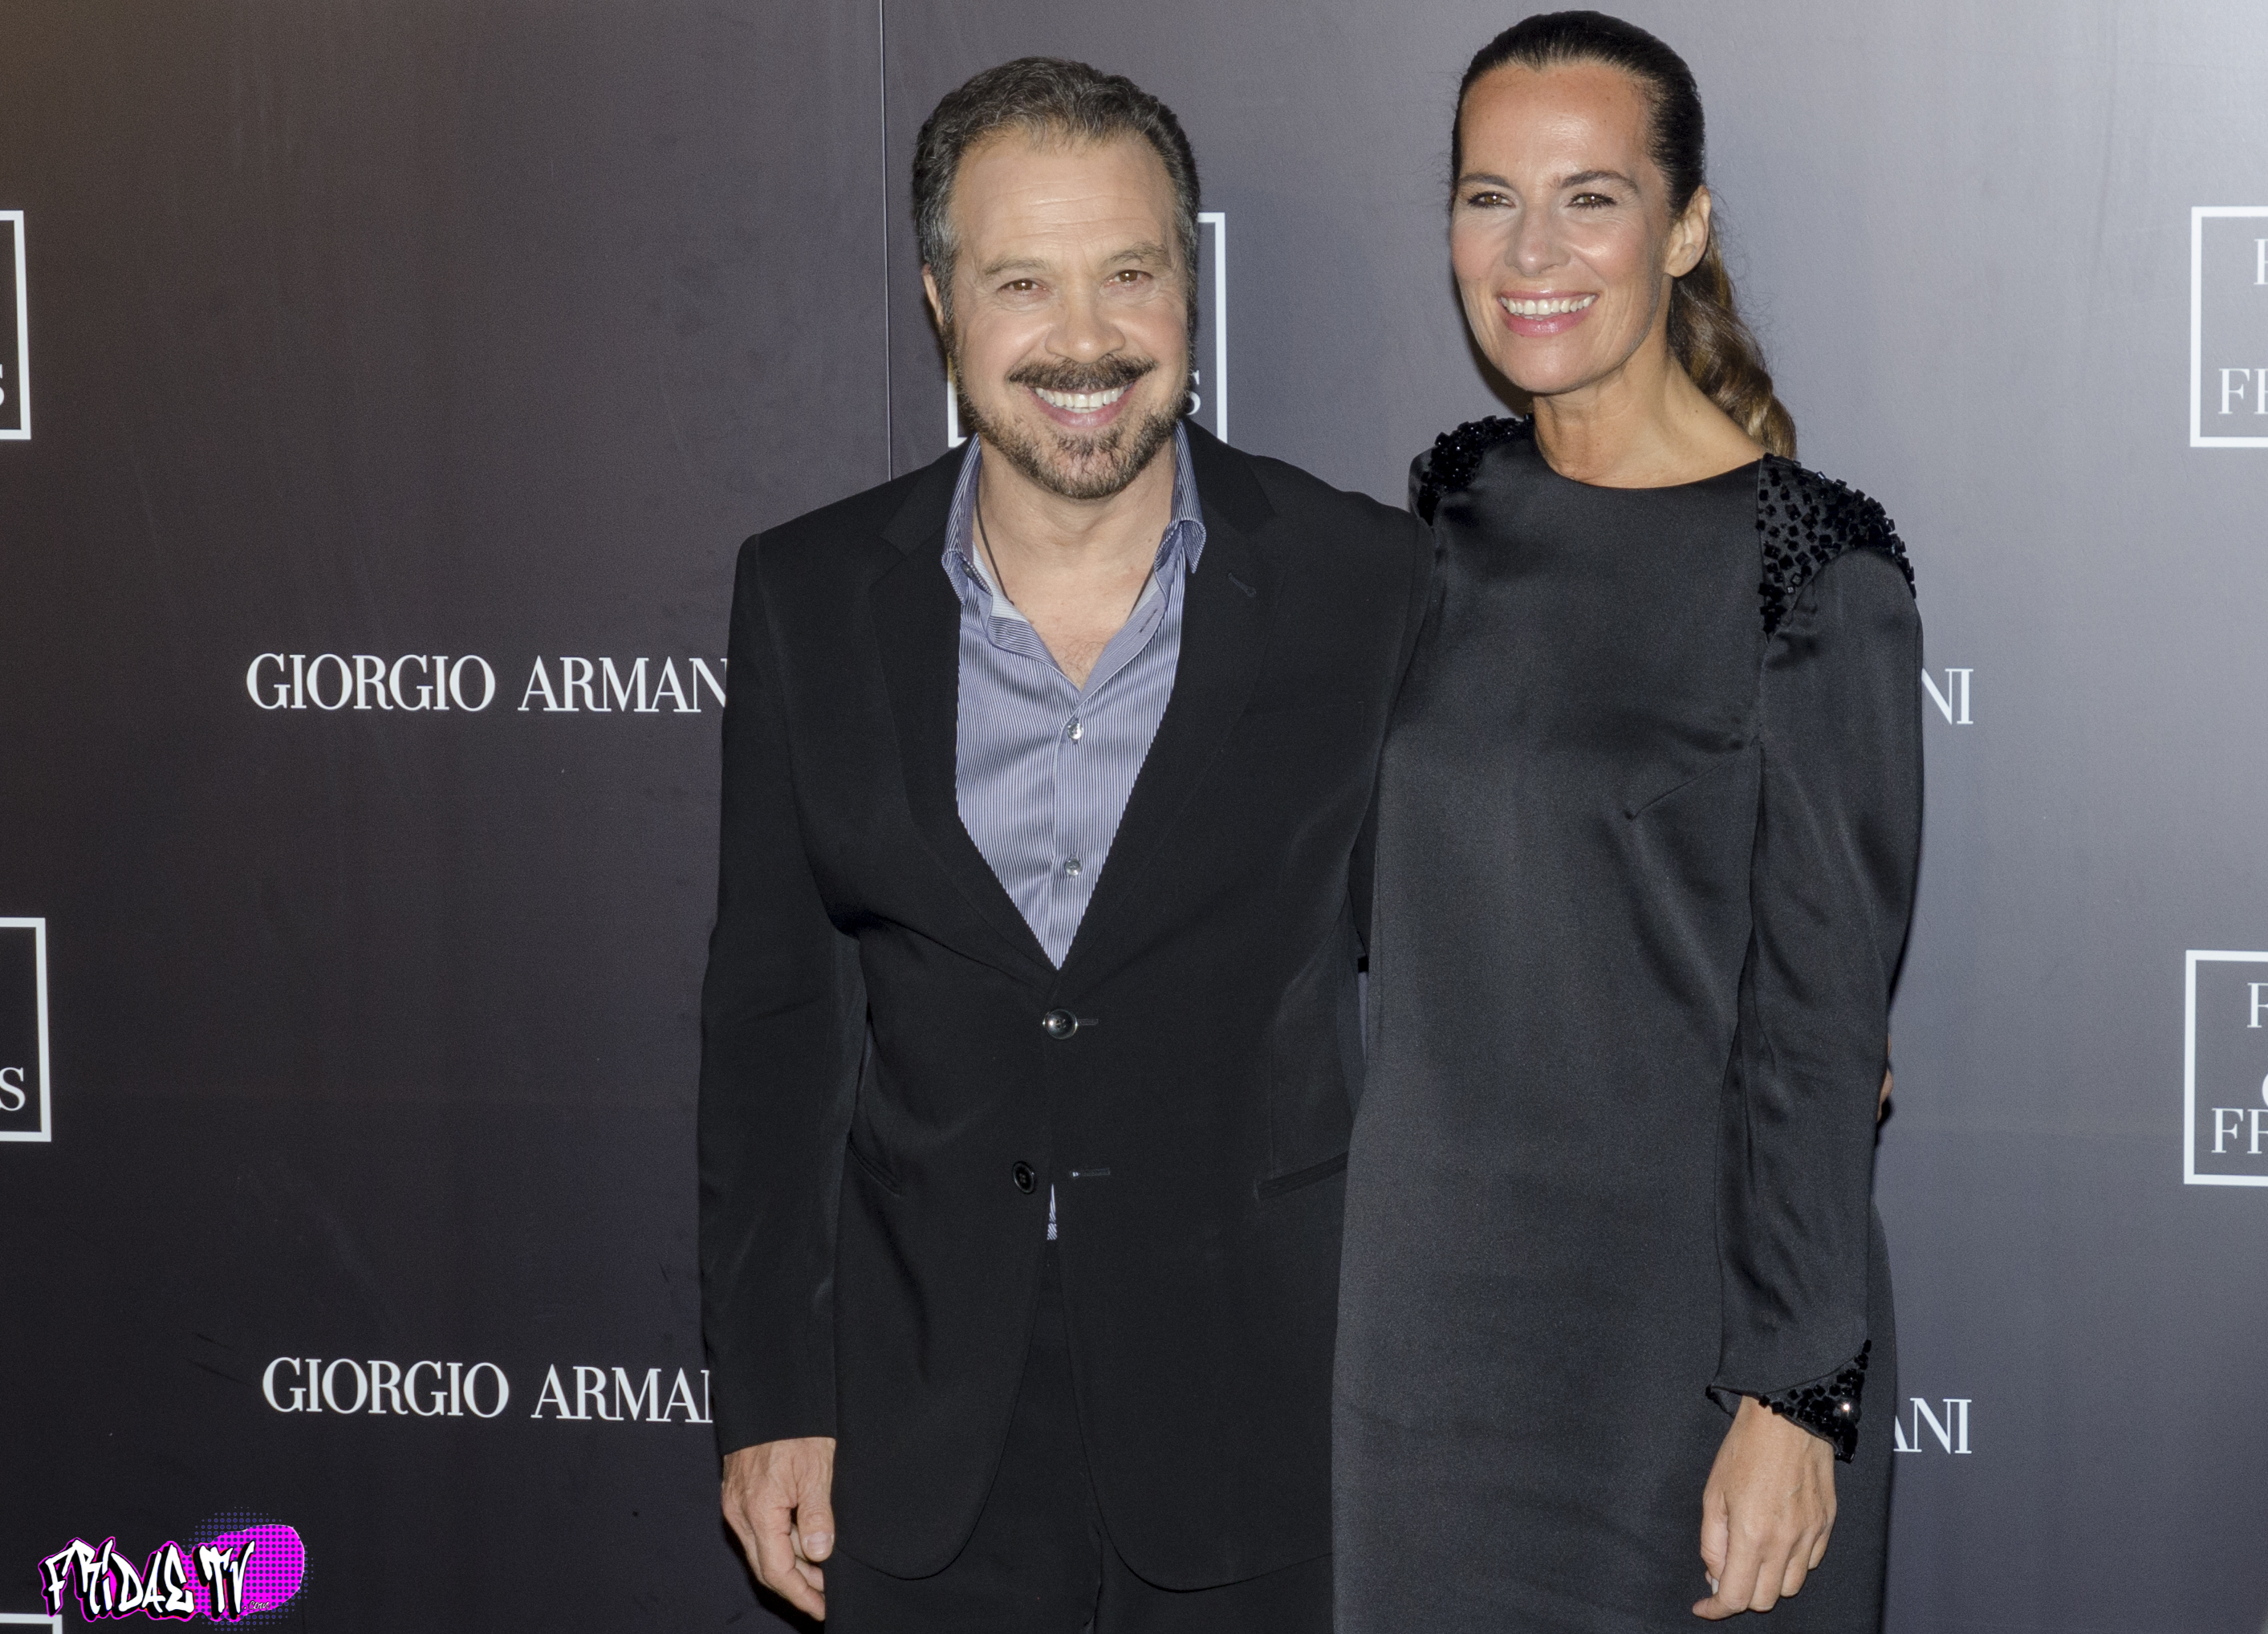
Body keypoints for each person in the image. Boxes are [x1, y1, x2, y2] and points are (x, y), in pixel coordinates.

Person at [697, 57, 1430, 1633]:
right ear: (941, 302)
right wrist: (771, 1390)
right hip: (921, 1419)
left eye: (1129, 274)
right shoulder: (807, 597)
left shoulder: (1367, 586)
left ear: (1189, 288)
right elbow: (774, 1025)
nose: (1085, 338)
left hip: (1265, 1414)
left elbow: (1473, 987)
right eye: (1023, 281)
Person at [1333, 12, 1920, 1632]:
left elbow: (1823, 1028)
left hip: (1694, 1344)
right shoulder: (1442, 514)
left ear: (1683, 227)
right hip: (1426, 1343)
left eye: (1588, 197)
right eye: (1488, 198)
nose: (1530, 252)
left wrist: (1794, 1395)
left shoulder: (1811, 567)